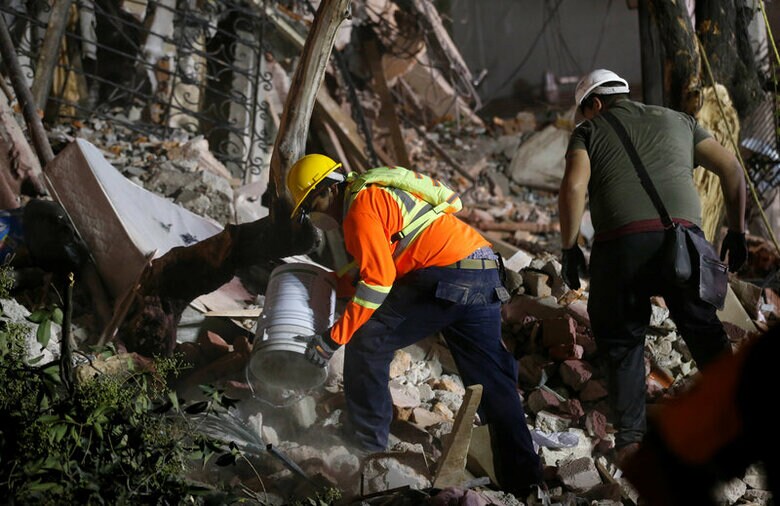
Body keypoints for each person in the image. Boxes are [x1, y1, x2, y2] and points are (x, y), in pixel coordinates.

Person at [285, 154, 543, 497]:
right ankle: (526, 481)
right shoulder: (373, 192)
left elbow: (377, 283)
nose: (314, 217)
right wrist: (332, 282)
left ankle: (366, 443)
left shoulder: (358, 210)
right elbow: (376, 264)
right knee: (493, 380)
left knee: (368, 339)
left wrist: (332, 339)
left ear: (327, 190)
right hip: (482, 269)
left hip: (447, 277)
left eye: (310, 206)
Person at [558, 69, 748, 463]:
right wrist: (738, 231)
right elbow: (732, 169)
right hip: (684, 243)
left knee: (623, 339)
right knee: (704, 329)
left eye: (584, 113)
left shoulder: (589, 132)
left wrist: (569, 246)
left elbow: (575, 185)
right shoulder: (681, 121)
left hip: (621, 248)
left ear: (593, 105)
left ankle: (630, 440)